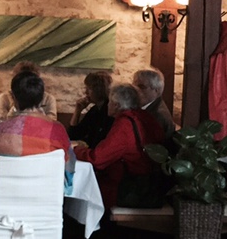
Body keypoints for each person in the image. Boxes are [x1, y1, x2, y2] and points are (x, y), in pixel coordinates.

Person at [75, 82, 166, 210]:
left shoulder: (125, 124)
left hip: (128, 188)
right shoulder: (145, 117)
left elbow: (98, 159)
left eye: (109, 102)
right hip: (152, 184)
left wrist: (76, 150)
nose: (107, 105)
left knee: (80, 192)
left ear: (117, 105)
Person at [0, 69, 76, 171]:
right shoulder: (57, 129)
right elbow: (70, 166)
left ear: (14, 98)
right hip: (48, 181)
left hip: (7, 181)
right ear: (41, 98)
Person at [69, 71, 114, 149]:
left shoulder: (110, 111)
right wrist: (77, 111)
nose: (86, 92)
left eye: (89, 88)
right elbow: (73, 135)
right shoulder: (94, 110)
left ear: (99, 90)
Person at [133, 67, 175, 140]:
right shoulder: (146, 107)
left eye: (141, 87)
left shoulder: (157, 116)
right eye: (134, 85)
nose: (136, 90)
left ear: (156, 90)